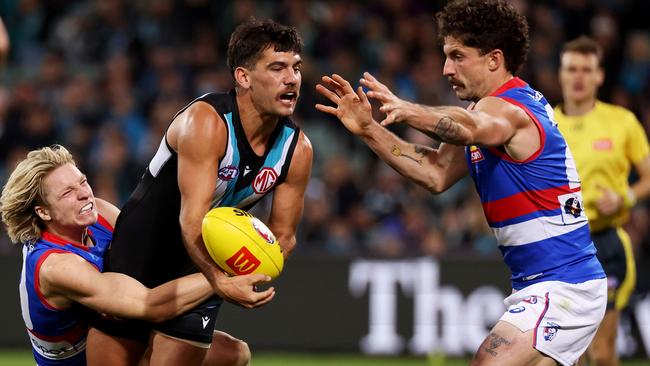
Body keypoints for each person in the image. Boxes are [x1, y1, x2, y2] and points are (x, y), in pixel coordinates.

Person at [315, 1, 606, 365]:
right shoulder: (487, 109)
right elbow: (435, 173)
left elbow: (472, 128)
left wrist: (407, 109)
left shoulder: (510, 109)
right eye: (445, 56)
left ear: (493, 59)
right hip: (541, 283)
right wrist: (368, 129)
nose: (446, 69)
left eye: (457, 56)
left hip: (564, 283)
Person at [89, 17, 313, 366]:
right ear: (243, 77)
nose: (292, 79)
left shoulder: (297, 151)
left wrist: (248, 270)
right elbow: (191, 220)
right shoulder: (206, 123)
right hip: (139, 259)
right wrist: (222, 282)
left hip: (201, 267)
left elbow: (283, 236)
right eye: (278, 67)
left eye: (296, 68)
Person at [0, 145, 215, 366]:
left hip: (117, 336)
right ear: (43, 212)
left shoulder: (98, 213)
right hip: (85, 359)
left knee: (234, 353)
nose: (85, 194)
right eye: (67, 193)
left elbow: (150, 252)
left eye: (82, 182)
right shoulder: (56, 266)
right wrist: (222, 276)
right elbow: (151, 305)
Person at [554, 36, 650, 366]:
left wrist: (625, 196)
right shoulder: (547, 126)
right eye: (572, 69)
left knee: (603, 352)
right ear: (561, 74)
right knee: (569, 355)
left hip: (605, 244)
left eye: (586, 69)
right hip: (560, 246)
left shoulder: (622, 122)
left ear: (599, 76)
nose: (579, 77)